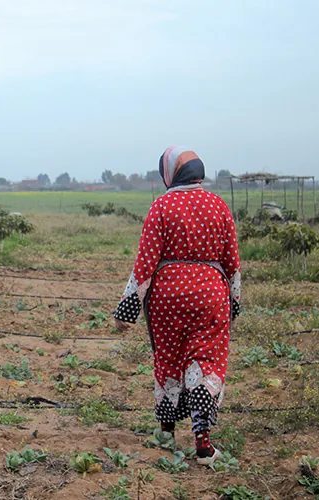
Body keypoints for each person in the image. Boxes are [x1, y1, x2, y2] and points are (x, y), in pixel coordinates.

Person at [113, 146, 241, 467]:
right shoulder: (218, 205)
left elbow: (145, 263)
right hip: (210, 296)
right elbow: (232, 262)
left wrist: (127, 308)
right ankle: (204, 445)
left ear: (169, 174)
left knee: (168, 359)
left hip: (166, 298)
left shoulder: (161, 207)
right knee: (204, 362)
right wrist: (235, 302)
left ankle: (166, 434)